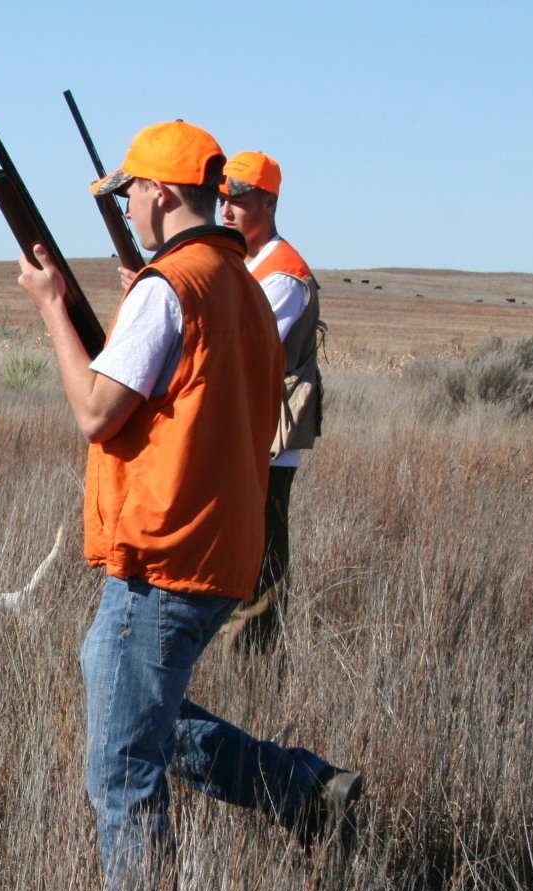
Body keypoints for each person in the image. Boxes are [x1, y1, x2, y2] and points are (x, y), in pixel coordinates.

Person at [12, 121, 362, 891]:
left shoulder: (171, 288)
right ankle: (304, 791)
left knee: (120, 771)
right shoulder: (238, 281)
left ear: (162, 195)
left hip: (161, 559)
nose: (128, 202)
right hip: (214, 555)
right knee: (129, 712)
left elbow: (97, 411)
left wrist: (55, 308)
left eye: (132, 188)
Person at [216, 151, 321, 655]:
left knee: (263, 556)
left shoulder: (282, 273)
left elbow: (244, 350)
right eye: (221, 200)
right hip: (247, 432)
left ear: (269, 203)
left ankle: (255, 667)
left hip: (271, 439)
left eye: (238, 200)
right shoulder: (247, 263)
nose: (227, 210)